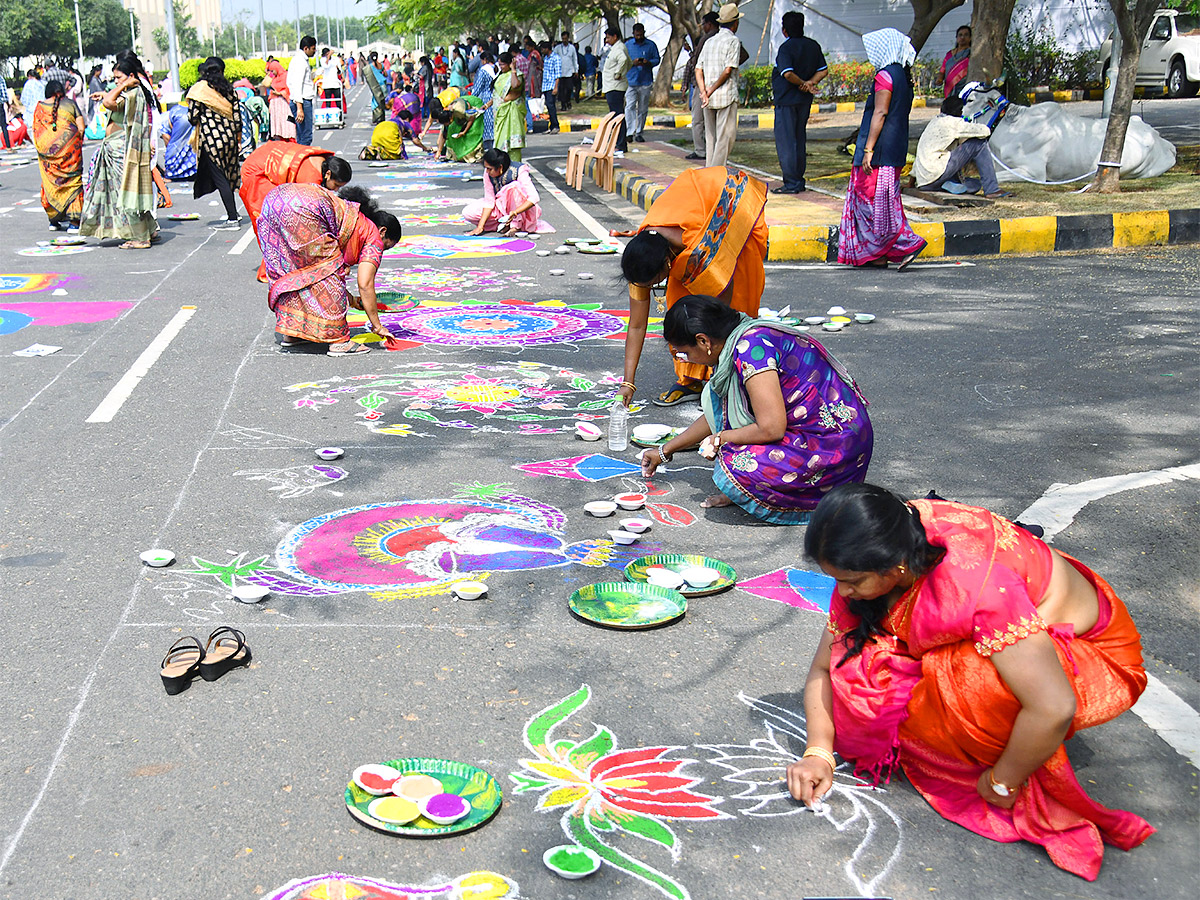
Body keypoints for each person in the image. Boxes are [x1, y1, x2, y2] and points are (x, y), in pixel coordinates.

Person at [788, 484, 1155, 881]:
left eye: (852, 581)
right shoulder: (882, 547)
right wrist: (818, 752)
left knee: (966, 679)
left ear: (894, 568)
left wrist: (1002, 783)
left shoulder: (977, 586)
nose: (842, 593)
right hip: (1003, 634)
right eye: (836, 579)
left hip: (1090, 656)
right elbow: (826, 668)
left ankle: (981, 749)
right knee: (861, 666)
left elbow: (1053, 706)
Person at [641, 296, 872, 518]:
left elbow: (771, 428)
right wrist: (665, 450)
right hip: (832, 434)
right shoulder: (738, 336)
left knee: (738, 460)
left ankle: (819, 493)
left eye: (685, 353)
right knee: (732, 442)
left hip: (835, 445)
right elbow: (720, 415)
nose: (686, 360)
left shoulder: (751, 350)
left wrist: (719, 438)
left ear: (703, 341)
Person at [615, 166, 768, 407]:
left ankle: (729, 375)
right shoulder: (647, 252)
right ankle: (692, 379)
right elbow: (636, 325)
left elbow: (722, 310)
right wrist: (628, 382)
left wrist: (718, 364)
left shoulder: (702, 253)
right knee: (679, 311)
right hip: (695, 212)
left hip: (730, 210)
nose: (652, 289)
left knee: (726, 311)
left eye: (654, 284)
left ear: (667, 264)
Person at [258, 183, 399, 355]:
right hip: (304, 207)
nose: (380, 252)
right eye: (386, 247)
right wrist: (377, 326)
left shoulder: (349, 216)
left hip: (273, 200)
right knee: (330, 271)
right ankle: (339, 341)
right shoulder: (373, 234)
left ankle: (293, 333)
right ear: (382, 231)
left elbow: (316, 276)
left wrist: (353, 301)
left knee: (294, 270)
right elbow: (365, 283)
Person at [838, 29, 927, 270]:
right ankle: (876, 255)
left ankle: (907, 243)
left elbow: (881, 112)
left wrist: (868, 149)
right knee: (883, 202)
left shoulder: (885, 76)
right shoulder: (903, 75)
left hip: (878, 149)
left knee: (868, 199)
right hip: (894, 147)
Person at [240, 142, 351, 281]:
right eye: (336, 185)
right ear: (328, 174)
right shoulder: (311, 177)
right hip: (257, 172)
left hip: (268, 159)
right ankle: (271, 270)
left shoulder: (325, 162)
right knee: (273, 222)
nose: (336, 190)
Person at [80, 55, 159, 248]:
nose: (116, 82)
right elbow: (112, 102)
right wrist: (118, 88)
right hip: (116, 146)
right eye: (114, 79)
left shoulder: (131, 92)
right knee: (128, 191)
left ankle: (140, 238)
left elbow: (109, 103)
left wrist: (121, 87)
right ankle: (149, 229)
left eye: (119, 78)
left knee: (126, 193)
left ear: (130, 76)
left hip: (120, 148)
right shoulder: (131, 92)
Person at [912, 94, 1011, 199]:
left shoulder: (934, 122)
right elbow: (985, 131)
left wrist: (911, 183)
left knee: (975, 184)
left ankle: (949, 184)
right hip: (937, 173)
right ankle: (992, 189)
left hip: (925, 183)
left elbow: (920, 155)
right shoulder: (953, 122)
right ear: (959, 111)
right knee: (979, 143)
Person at [772, 11, 827, 193]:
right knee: (798, 139)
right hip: (804, 100)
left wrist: (803, 83)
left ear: (785, 30)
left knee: (786, 142)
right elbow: (823, 70)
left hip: (786, 100)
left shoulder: (785, 49)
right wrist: (811, 83)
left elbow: (787, 73)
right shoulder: (813, 46)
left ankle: (791, 182)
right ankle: (798, 180)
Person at [186, 57, 243, 229]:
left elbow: (192, 117)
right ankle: (234, 213)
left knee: (220, 179)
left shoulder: (200, 91)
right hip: (231, 139)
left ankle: (232, 218)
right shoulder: (229, 89)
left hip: (212, 141)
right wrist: (238, 139)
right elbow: (238, 118)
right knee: (228, 176)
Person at [32, 80, 86, 232]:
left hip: (48, 158)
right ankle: (74, 223)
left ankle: (53, 221)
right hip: (71, 155)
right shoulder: (71, 104)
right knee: (73, 184)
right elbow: (81, 128)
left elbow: (36, 133)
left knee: (51, 183)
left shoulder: (40, 108)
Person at [695, 4, 745, 168]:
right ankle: (716, 172)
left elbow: (698, 69)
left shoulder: (710, 41)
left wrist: (704, 91)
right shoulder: (733, 41)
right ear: (735, 23)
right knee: (726, 137)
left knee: (711, 138)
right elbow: (728, 70)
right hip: (725, 94)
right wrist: (711, 89)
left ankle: (710, 169)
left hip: (708, 98)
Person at [463, 147, 554, 236]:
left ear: (500, 167)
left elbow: (534, 197)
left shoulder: (519, 170)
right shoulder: (487, 174)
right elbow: (489, 201)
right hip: (500, 208)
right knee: (468, 212)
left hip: (521, 210)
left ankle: (516, 226)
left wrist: (515, 212)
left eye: (489, 169)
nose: (487, 171)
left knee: (513, 187)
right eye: (486, 168)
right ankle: (504, 224)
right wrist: (480, 226)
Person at [682, 13, 719, 160]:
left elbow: (696, 64)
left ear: (709, 24)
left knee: (698, 120)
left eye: (703, 24)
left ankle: (701, 151)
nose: (702, 27)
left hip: (703, 84)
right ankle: (714, 151)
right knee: (715, 122)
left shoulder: (706, 39)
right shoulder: (727, 38)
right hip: (719, 82)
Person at [624, 23, 659, 143]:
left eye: (641, 34)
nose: (639, 37)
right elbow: (623, 60)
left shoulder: (651, 45)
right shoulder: (627, 45)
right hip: (631, 80)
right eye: (637, 34)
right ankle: (630, 131)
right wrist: (632, 63)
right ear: (633, 34)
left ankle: (639, 132)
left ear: (644, 32)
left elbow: (657, 59)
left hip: (645, 81)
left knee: (643, 109)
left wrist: (648, 62)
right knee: (630, 107)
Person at [430, 88, 485, 162]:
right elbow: (444, 134)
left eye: (448, 123)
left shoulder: (459, 111)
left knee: (472, 131)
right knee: (451, 130)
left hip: (474, 108)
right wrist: (438, 152)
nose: (448, 124)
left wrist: (464, 132)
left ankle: (472, 154)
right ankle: (456, 154)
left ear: (450, 119)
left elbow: (471, 118)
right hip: (461, 109)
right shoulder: (446, 115)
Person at [492, 53, 527, 163]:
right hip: (500, 113)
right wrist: (488, 104)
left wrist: (513, 70)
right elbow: (498, 94)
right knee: (500, 145)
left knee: (512, 147)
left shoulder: (517, 75)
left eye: (503, 64)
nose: (501, 67)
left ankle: (514, 169)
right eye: (499, 64)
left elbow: (515, 86)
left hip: (512, 113)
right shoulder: (500, 76)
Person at [602, 26, 631, 155]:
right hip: (612, 86)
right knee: (617, 115)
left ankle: (620, 144)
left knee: (617, 116)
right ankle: (618, 142)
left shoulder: (618, 48)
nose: (607, 40)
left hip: (615, 86)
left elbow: (624, 60)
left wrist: (618, 73)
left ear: (615, 37)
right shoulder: (618, 48)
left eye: (608, 37)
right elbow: (629, 62)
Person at [287, 36, 318, 145]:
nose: (315, 51)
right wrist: (300, 108)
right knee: (305, 136)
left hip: (302, 101)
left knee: (302, 135)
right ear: (306, 48)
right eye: (313, 48)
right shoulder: (299, 61)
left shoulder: (301, 60)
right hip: (302, 102)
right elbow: (297, 84)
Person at [160, 102, 198, 180]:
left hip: (174, 165)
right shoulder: (200, 112)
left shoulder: (172, 113)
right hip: (195, 164)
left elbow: (166, 136)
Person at [264, 58, 297, 140]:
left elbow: (288, 89)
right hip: (275, 104)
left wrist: (280, 93)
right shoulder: (274, 77)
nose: (272, 72)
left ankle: (289, 138)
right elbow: (265, 83)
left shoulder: (286, 76)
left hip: (283, 102)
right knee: (278, 122)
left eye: (273, 70)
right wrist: (269, 75)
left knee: (286, 121)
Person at [471, 52, 497, 150]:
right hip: (496, 97)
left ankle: (488, 149)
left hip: (486, 98)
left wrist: (471, 99)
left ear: (485, 60)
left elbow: (478, 87)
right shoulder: (497, 68)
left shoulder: (484, 70)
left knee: (487, 124)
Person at [937, 25, 972, 98]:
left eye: (966, 35)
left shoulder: (971, 53)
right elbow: (942, 70)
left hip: (964, 90)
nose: (962, 37)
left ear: (970, 38)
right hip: (949, 89)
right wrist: (939, 79)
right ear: (957, 38)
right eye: (960, 35)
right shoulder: (949, 54)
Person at [539, 40, 561, 133]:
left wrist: (556, 87)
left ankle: (555, 125)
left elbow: (558, 74)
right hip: (545, 85)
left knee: (551, 105)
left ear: (547, 49)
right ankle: (551, 126)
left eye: (543, 49)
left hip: (552, 85)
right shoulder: (546, 58)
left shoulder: (556, 58)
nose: (542, 50)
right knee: (548, 106)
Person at [554, 32, 577, 111]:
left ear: (568, 38)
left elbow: (575, 59)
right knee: (561, 90)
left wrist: (576, 70)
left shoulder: (572, 48)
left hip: (569, 72)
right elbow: (554, 57)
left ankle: (568, 101)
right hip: (560, 72)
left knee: (569, 88)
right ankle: (563, 104)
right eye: (563, 39)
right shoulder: (557, 48)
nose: (564, 40)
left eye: (565, 39)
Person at [365, 53, 387, 125]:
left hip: (375, 86)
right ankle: (382, 118)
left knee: (375, 102)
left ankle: (377, 118)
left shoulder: (370, 67)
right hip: (383, 85)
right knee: (381, 101)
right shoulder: (381, 65)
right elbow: (386, 74)